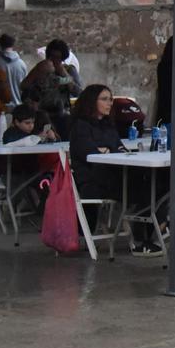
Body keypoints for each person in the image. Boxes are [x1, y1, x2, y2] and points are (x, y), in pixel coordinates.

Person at [67, 83, 159, 253]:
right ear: (91, 102)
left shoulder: (108, 125)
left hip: (113, 175)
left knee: (153, 181)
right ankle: (143, 238)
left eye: (110, 99)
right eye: (104, 99)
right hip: (93, 181)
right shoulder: (81, 126)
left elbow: (119, 148)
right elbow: (90, 154)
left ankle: (148, 234)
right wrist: (108, 150)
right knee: (144, 187)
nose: (109, 103)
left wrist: (107, 150)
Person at [19, 39, 79, 134]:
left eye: (57, 57)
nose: (53, 60)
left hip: (62, 115)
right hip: (41, 116)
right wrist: (36, 72)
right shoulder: (41, 69)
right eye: (50, 56)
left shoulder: (69, 70)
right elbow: (24, 87)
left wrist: (63, 72)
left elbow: (78, 92)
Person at [0, 32, 29, 107]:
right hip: (19, 106)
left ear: (0, 44)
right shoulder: (22, 64)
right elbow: (26, 86)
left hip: (2, 107)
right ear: (13, 44)